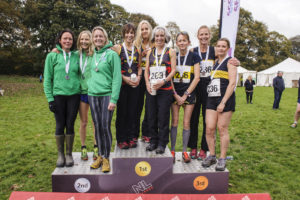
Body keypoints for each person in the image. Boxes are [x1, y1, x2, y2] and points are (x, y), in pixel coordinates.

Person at [188, 25, 240, 160]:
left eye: (206, 34)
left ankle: (204, 150)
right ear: (198, 36)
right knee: (193, 119)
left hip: (210, 87)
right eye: (201, 34)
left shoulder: (214, 50)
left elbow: (227, 59)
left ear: (209, 36)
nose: (204, 37)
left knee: (208, 123)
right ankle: (193, 147)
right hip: (196, 85)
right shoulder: (193, 51)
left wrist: (237, 61)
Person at [43, 28, 80, 168]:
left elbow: (92, 48)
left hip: (74, 95)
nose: (67, 41)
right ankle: (60, 155)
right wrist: (50, 99)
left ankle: (69, 154)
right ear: (60, 40)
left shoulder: (77, 55)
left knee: (70, 124)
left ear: (73, 41)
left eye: (70, 39)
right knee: (60, 125)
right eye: (65, 38)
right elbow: (47, 79)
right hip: (58, 96)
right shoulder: (52, 56)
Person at [88, 26, 122, 173]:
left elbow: (117, 78)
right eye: (95, 36)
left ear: (105, 38)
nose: (98, 39)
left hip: (107, 95)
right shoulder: (91, 55)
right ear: (92, 39)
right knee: (97, 126)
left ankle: (107, 157)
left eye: (100, 36)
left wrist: (113, 99)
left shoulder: (112, 54)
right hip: (92, 95)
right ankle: (100, 156)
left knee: (105, 126)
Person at [201, 38, 237, 171]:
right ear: (216, 48)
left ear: (227, 48)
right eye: (219, 46)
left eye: (223, 46)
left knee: (222, 129)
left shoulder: (231, 62)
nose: (221, 48)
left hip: (224, 99)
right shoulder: (215, 63)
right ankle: (212, 155)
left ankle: (222, 158)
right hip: (212, 98)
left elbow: (232, 83)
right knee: (209, 128)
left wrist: (223, 102)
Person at [144, 26, 176, 154]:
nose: (159, 38)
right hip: (151, 88)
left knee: (163, 117)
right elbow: (146, 70)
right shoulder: (149, 52)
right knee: (151, 116)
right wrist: (147, 83)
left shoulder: (170, 51)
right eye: (157, 36)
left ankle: (162, 143)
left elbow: (173, 70)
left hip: (165, 89)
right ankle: (153, 141)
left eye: (161, 35)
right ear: (154, 37)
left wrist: (163, 81)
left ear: (165, 37)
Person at [170, 32, 200, 163]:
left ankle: (184, 152)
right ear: (176, 43)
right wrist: (176, 95)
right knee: (175, 122)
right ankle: (172, 150)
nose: (182, 43)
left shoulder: (194, 56)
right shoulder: (173, 56)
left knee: (186, 123)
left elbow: (197, 77)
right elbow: (170, 76)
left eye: (184, 40)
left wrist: (185, 94)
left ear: (188, 42)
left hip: (189, 93)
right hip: (175, 94)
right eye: (179, 41)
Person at [115, 23, 142, 149]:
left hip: (134, 86)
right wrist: (124, 78)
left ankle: (131, 137)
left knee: (133, 112)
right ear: (123, 34)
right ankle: (121, 139)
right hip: (122, 85)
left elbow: (139, 67)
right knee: (122, 113)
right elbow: (115, 68)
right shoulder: (118, 48)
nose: (129, 35)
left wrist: (139, 77)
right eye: (127, 32)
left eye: (132, 33)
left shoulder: (137, 49)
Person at [76, 30, 98, 161]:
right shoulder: (75, 55)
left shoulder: (94, 54)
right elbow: (63, 53)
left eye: (86, 39)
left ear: (90, 40)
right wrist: (56, 49)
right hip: (82, 92)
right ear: (79, 40)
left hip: (94, 91)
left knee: (95, 122)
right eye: (82, 39)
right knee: (83, 122)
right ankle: (83, 147)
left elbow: (107, 45)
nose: (84, 42)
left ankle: (96, 147)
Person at [134, 20, 153, 143]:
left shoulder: (155, 44)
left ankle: (147, 133)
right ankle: (134, 134)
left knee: (150, 107)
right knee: (136, 106)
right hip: (138, 76)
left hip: (152, 77)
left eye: (146, 28)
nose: (144, 31)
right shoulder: (136, 44)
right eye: (142, 29)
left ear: (150, 30)